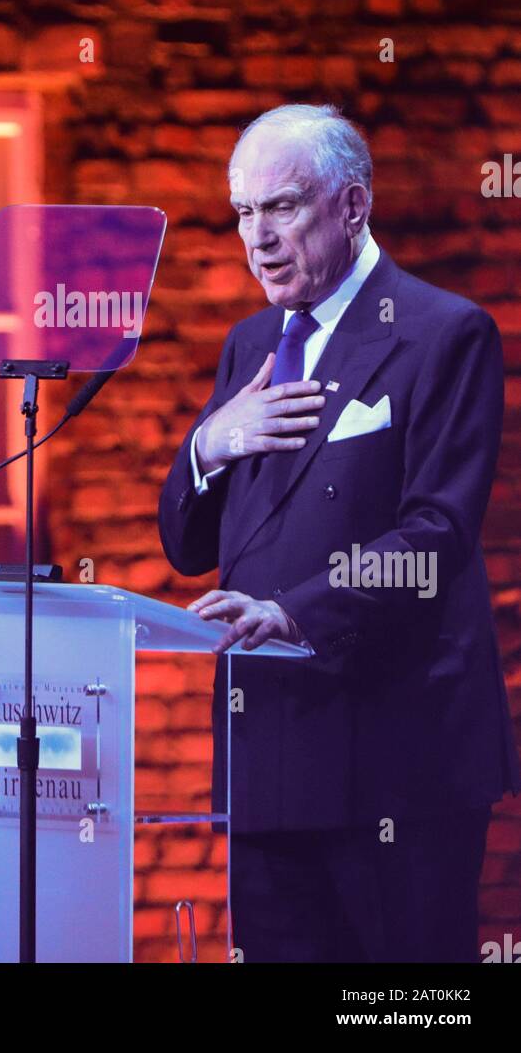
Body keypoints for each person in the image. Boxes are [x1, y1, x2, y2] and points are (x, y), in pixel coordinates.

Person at [158, 103, 520, 963]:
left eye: (281, 207)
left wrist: (293, 613)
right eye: (244, 213)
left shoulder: (443, 333)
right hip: (270, 760)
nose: (258, 237)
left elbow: (435, 537)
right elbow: (186, 544)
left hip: (397, 758)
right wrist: (209, 445)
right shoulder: (249, 345)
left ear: (352, 207)